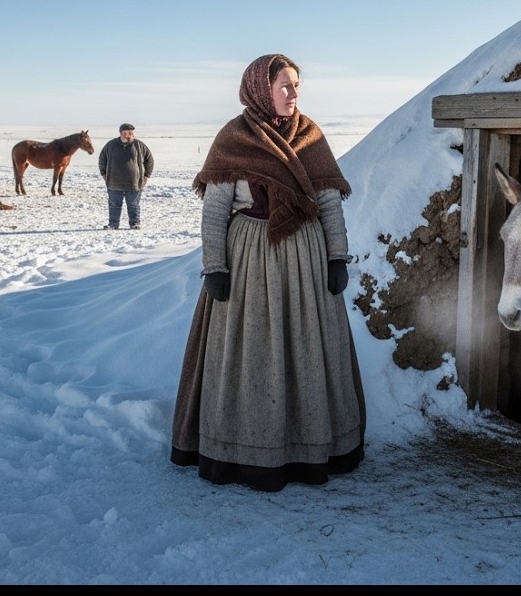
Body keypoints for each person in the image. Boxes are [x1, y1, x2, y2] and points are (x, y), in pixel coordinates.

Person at [170, 53, 365, 492]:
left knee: (308, 350)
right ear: (261, 88)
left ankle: (310, 446)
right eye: (285, 86)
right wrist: (215, 266)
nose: (293, 94)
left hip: (306, 261)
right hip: (249, 261)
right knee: (251, 350)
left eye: (296, 85)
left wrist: (337, 256)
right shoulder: (234, 139)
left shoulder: (311, 136)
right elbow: (215, 209)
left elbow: (330, 202)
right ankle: (245, 451)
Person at [98, 123, 154, 229]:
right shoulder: (111, 145)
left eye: (131, 133)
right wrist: (104, 175)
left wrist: (146, 175)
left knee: (133, 205)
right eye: (126, 133)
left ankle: (135, 223)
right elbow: (102, 159)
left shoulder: (139, 145)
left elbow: (149, 160)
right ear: (121, 133)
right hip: (114, 183)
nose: (128, 135)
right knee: (114, 206)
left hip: (134, 183)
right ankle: (113, 224)